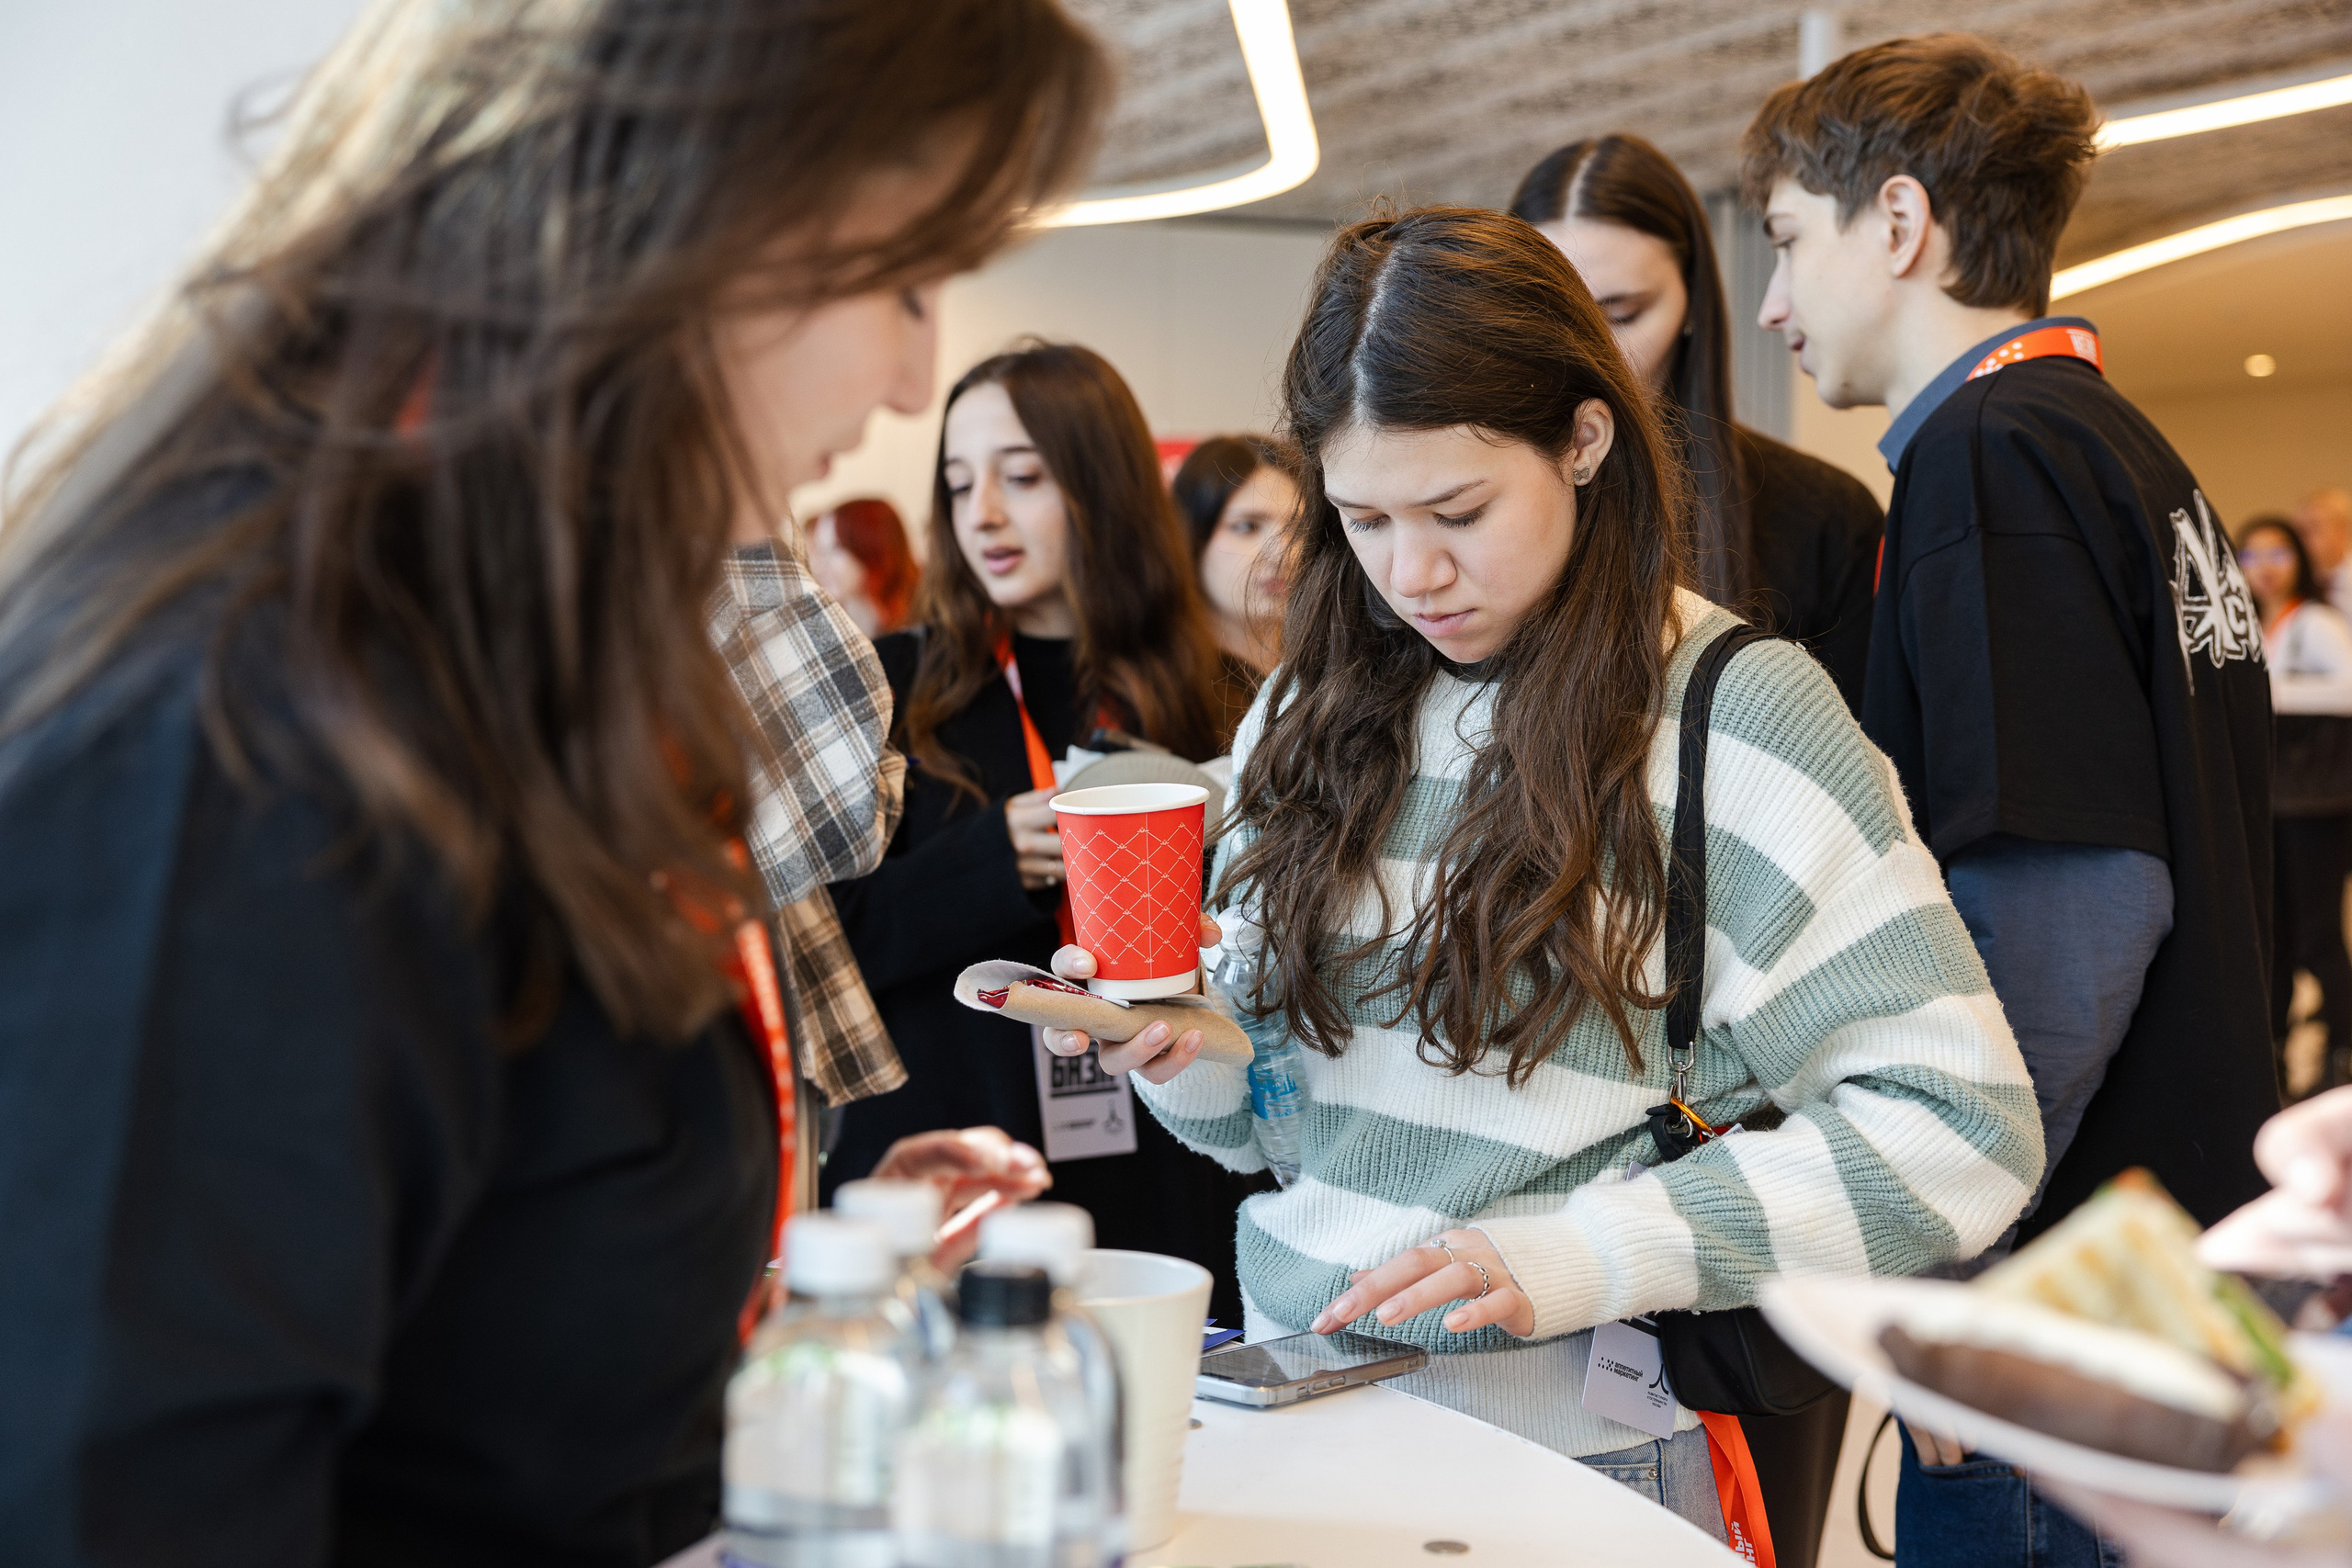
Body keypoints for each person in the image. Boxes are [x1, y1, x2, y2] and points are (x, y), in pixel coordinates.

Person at [0, 0, 1108, 1561]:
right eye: (905, 279)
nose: (910, 373)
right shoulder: (246, 732)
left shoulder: (536, 665)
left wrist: (780, 1264)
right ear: (695, 230)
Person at [1040, 206, 2043, 1546]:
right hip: (1291, 1431)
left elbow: (1963, 1127)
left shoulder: (1733, 716)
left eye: (1459, 509)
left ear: (1584, 439)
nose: (1414, 572)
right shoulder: (1304, 709)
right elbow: (1270, 1125)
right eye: (1365, 517)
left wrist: (1585, 1252)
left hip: (1579, 1467)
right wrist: (1174, 1043)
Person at [1744, 34, 2278, 1566]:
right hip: (2169, 1258)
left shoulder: (1991, 458)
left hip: (2062, 1293)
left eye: (1789, 240)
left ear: (1896, 225)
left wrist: (1942, 1241)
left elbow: (2074, 894)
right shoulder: (2126, 451)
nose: (1774, 301)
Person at [823, 340, 1269, 1324]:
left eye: (1021, 477)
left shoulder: (1216, 693)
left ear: (1101, 487)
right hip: (956, 1169)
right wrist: (990, 859)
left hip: (1166, 1162)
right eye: (956, 481)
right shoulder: (888, 685)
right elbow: (827, 943)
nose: (980, 512)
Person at [1510, 133, 1883, 716]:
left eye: (1621, 314)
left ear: (1691, 305)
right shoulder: (1466, 507)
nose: (1588, 354)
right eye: (1551, 316)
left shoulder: (1824, 520)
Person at [2238, 517, 2352, 1095]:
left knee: (2316, 937)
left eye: (2277, 552)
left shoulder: (2314, 621)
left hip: (2318, 804)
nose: (2264, 566)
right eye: (2250, 555)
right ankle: (2276, 1058)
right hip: (2271, 806)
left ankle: (2343, 1049)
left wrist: (2270, 690)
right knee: (2274, 939)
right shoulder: (2247, 626)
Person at [1169, 434, 1302, 741]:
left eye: (1299, 527)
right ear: (1190, 540)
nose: (1282, 551)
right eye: (1248, 527)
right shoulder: (1161, 695)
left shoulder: (1330, 675)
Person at [808, 496, 920, 637]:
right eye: (820, 551)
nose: (818, 566)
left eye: (835, 549)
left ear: (871, 548)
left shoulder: (918, 631)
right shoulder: (834, 626)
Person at [2293, 486, 2352, 613]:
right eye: (2299, 531)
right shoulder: (2293, 587)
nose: (2301, 540)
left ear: (2340, 531)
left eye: (2313, 528)